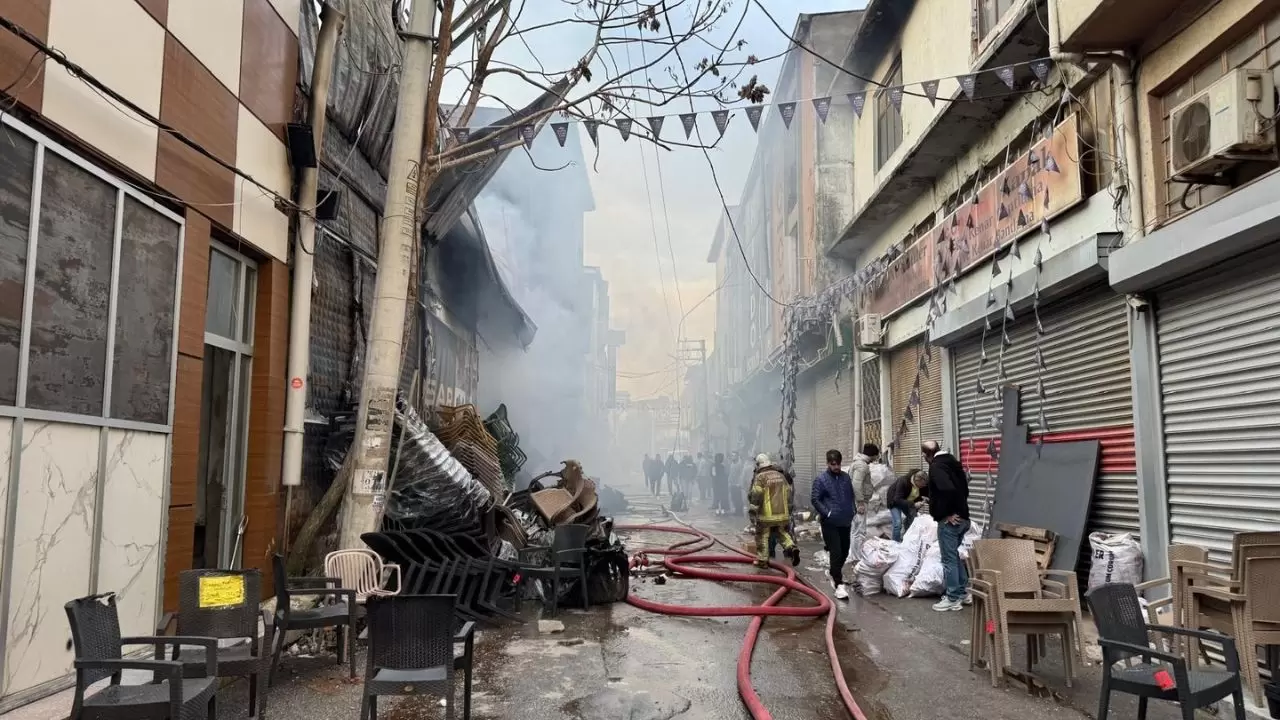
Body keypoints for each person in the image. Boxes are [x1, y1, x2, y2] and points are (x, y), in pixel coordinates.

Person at [922, 440, 972, 612]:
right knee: (954, 557)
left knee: (948, 559)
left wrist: (947, 513)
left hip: (950, 521)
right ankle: (964, 592)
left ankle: (952, 598)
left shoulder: (936, 466)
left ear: (927, 455)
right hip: (964, 518)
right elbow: (964, 490)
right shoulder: (953, 462)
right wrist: (960, 510)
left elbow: (947, 489)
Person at [811, 449, 856, 600]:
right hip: (830, 522)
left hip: (845, 519)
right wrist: (826, 513)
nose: (836, 467)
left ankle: (833, 572)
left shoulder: (845, 477)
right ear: (828, 463)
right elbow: (815, 499)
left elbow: (850, 494)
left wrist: (853, 510)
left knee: (845, 550)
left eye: (838, 464)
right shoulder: (821, 479)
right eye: (833, 464)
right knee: (836, 552)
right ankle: (838, 584)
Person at [748, 454, 800, 568]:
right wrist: (788, 509)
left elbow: (756, 495)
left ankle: (763, 561)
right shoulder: (780, 475)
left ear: (759, 465)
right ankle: (791, 547)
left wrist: (752, 511)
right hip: (783, 514)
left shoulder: (760, 477)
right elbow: (788, 493)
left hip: (767, 515)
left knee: (762, 535)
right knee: (781, 533)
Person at [887, 469, 929, 542]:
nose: (923, 486)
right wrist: (914, 504)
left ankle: (907, 539)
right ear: (917, 480)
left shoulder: (923, 485)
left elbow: (927, 495)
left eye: (925, 485)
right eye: (922, 485)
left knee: (914, 520)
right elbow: (897, 499)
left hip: (907, 502)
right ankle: (895, 542)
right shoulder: (903, 481)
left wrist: (927, 499)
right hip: (895, 502)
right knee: (898, 523)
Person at [850, 443, 879, 517]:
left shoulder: (859, 463)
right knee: (860, 526)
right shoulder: (862, 465)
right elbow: (856, 484)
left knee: (857, 525)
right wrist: (860, 502)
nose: (876, 458)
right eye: (876, 456)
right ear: (873, 455)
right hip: (859, 502)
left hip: (858, 500)